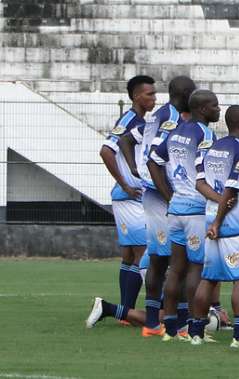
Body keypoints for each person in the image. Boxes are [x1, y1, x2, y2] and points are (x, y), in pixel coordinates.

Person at [148, 89, 219, 342]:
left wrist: (169, 195)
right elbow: (207, 172)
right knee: (196, 268)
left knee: (175, 268)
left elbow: (153, 159)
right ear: (201, 109)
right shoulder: (206, 134)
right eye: (214, 106)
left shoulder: (174, 131)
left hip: (176, 207)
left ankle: (169, 328)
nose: (218, 110)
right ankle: (192, 326)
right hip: (196, 209)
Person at [188, 105, 239, 348]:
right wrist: (220, 219)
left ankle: (196, 333)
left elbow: (199, 183)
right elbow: (232, 188)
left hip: (210, 221)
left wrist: (215, 212)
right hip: (236, 224)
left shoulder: (210, 148)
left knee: (208, 279)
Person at [87, 75, 156, 329]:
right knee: (142, 253)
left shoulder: (141, 122)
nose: (154, 98)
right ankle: (146, 312)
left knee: (129, 255)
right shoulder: (127, 121)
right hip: (129, 197)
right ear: (136, 96)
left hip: (134, 196)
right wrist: (126, 184)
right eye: (149, 94)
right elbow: (106, 151)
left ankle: (125, 312)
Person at [129, 75, 194, 337]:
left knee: (162, 258)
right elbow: (157, 157)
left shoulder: (156, 115)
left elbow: (127, 140)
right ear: (184, 95)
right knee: (170, 258)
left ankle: (155, 322)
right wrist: (170, 197)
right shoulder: (173, 120)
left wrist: (136, 169)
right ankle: (173, 322)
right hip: (161, 194)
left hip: (154, 192)